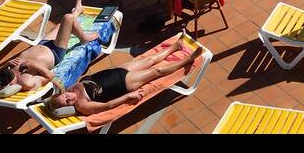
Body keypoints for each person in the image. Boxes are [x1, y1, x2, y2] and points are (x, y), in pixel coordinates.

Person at [0, 0, 106, 97]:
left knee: (59, 27)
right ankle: (83, 38)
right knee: (67, 19)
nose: (4, 74)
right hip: (54, 52)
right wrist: (33, 65)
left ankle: (77, 11)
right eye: (5, 79)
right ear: (9, 86)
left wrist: (7, 64)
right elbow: (50, 77)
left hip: (43, 44)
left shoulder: (6, 72)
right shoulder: (26, 82)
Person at [48, 35, 200, 116]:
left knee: (149, 59)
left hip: (117, 71)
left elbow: (56, 79)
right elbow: (107, 106)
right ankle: (187, 60)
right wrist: (128, 97)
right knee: (156, 72)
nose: (69, 98)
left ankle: (176, 45)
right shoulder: (83, 106)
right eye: (67, 103)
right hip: (124, 83)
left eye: (65, 96)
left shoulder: (71, 87)